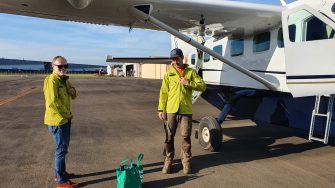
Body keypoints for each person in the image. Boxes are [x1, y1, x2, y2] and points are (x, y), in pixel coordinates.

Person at [158, 48, 206, 174]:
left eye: (177, 58)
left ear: (182, 58)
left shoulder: (190, 72)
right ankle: (168, 161)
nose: (175, 61)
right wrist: (161, 109)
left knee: (186, 136)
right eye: (173, 59)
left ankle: (186, 162)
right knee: (169, 137)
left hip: (185, 110)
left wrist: (188, 82)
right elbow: (163, 93)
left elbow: (202, 86)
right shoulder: (169, 74)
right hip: (171, 110)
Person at [44, 56, 78, 188]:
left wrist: (73, 90)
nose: (63, 68)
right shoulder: (51, 80)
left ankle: (60, 173)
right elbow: (53, 103)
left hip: (64, 119)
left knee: (62, 149)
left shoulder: (64, 80)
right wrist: (68, 115)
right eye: (60, 66)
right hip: (58, 121)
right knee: (61, 150)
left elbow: (73, 94)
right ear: (53, 66)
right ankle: (62, 182)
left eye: (65, 66)